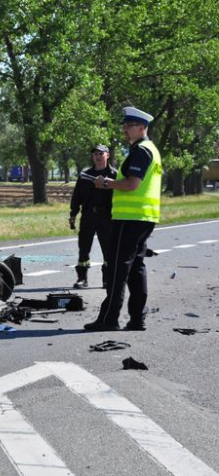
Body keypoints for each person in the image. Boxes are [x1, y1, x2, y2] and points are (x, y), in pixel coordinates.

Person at [84, 107, 162, 332]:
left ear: (142, 128)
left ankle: (109, 319)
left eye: (129, 126)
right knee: (136, 266)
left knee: (117, 268)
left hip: (130, 219)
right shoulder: (149, 150)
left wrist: (106, 183)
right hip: (144, 217)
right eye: (124, 126)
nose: (125, 130)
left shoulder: (141, 151)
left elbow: (132, 184)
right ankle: (137, 319)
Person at [69, 144, 116, 288]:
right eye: (95, 154)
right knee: (84, 247)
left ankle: (107, 279)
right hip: (88, 214)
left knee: (108, 249)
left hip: (107, 216)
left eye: (101, 154)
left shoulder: (115, 175)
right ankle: (82, 278)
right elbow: (77, 196)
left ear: (107, 155)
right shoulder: (85, 175)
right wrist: (73, 214)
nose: (97, 156)